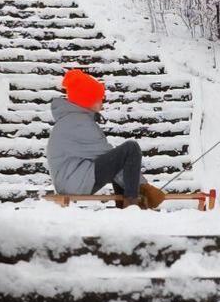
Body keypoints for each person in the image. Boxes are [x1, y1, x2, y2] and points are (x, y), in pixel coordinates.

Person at [47, 68, 166, 209]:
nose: (102, 103)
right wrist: (143, 186)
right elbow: (108, 156)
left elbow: (113, 162)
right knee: (130, 149)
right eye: (99, 98)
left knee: (120, 158)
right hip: (73, 182)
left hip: (71, 179)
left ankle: (128, 206)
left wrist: (140, 186)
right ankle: (132, 205)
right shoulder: (79, 123)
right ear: (86, 99)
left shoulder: (73, 120)